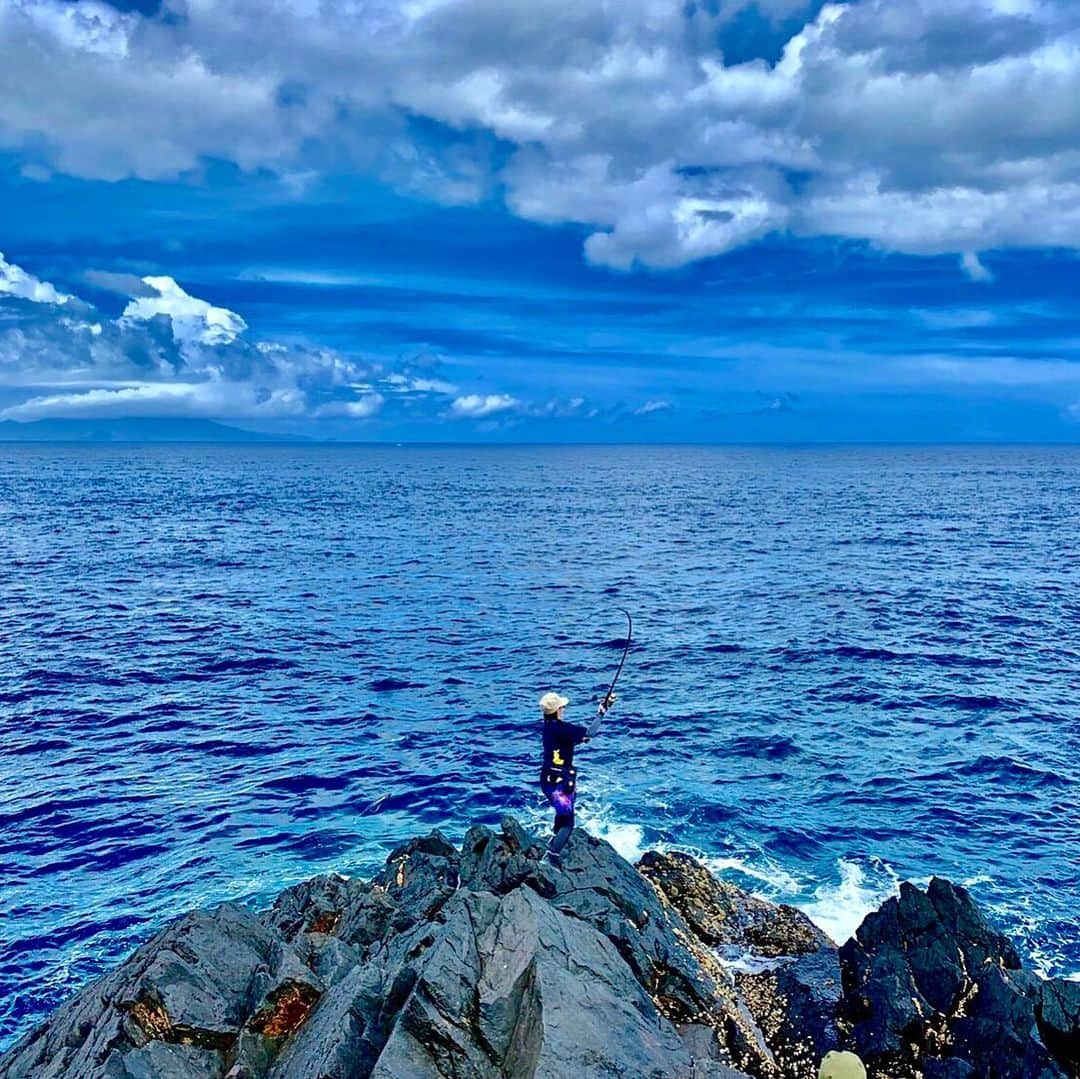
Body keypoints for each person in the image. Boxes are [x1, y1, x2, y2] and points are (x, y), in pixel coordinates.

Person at [537, 690, 614, 864]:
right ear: (557, 710)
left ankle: (553, 841)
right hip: (562, 784)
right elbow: (590, 733)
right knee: (568, 823)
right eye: (562, 707)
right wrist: (602, 712)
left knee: (561, 812)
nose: (563, 710)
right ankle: (552, 857)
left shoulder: (548, 728)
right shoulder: (562, 728)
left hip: (547, 780)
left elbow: (568, 740)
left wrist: (580, 739)